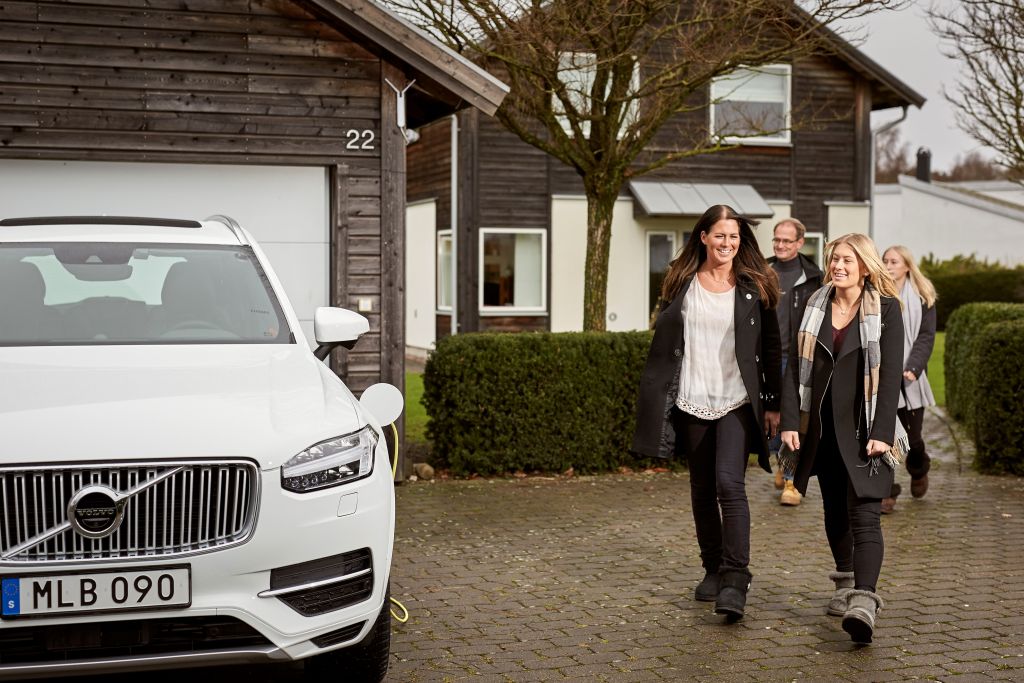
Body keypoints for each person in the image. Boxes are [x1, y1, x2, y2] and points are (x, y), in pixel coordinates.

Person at [633, 204, 781, 622]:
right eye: (720, 236)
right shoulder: (680, 282)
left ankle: (736, 578)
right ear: (703, 237)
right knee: (701, 489)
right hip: (692, 398)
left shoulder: (755, 285)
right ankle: (712, 569)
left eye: (733, 237)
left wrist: (773, 404)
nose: (727, 243)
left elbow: (772, 347)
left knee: (729, 484)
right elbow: (664, 341)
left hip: (736, 399)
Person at [780, 233, 905, 645]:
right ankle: (845, 581)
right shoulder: (813, 305)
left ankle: (864, 601)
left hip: (865, 431)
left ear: (865, 267)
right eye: (834, 258)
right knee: (834, 508)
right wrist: (790, 421)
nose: (838, 265)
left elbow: (890, 376)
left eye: (848, 260)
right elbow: (794, 368)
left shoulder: (886, 309)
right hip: (821, 430)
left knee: (865, 514)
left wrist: (882, 432)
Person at [767, 218, 823, 506]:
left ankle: (791, 481)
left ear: (800, 243)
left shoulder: (814, 277)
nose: (780, 245)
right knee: (769, 419)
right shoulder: (761, 271)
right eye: (777, 239)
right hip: (766, 358)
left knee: (793, 419)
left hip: (798, 359)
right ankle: (781, 461)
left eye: (787, 241)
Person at [881, 245, 938, 512]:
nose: (888, 265)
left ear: (907, 265)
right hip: (883, 376)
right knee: (885, 436)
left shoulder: (923, 297)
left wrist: (914, 367)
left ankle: (918, 468)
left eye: (894, 261)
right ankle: (886, 491)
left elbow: (926, 336)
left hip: (910, 378)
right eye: (885, 261)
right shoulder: (876, 294)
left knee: (912, 438)